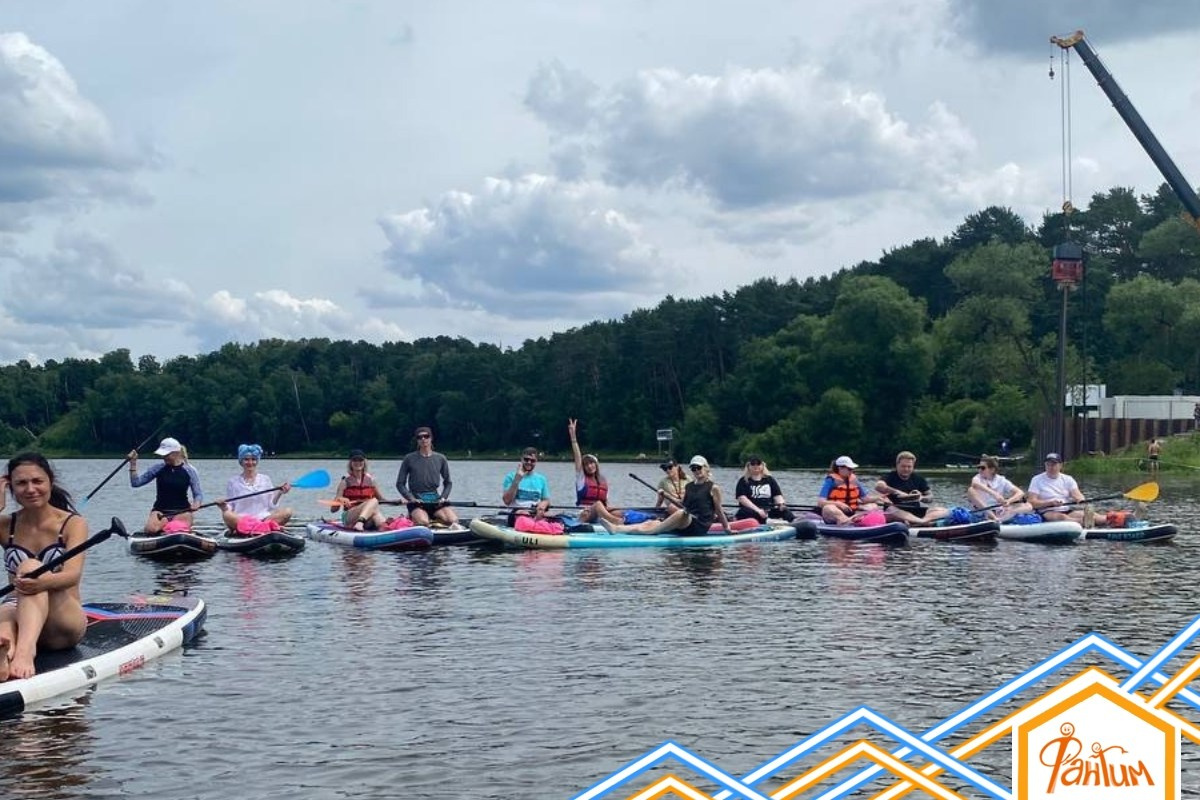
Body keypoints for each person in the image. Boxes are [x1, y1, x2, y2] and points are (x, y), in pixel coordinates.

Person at [0, 453, 88, 681]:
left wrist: (41, 581)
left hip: (63, 620)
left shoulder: (73, 523)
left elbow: (72, 575)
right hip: (18, 610)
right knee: (5, 614)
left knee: (30, 567)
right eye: (21, 483)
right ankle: (4, 655)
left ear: (50, 481)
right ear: (10, 487)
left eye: (37, 481)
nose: (30, 489)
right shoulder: (5, 525)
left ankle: (24, 652)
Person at [598, 456, 732, 536]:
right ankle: (617, 529)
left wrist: (727, 528)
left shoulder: (714, 488)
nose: (696, 471)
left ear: (706, 468)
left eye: (699, 468)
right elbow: (683, 504)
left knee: (680, 513)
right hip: (687, 521)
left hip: (700, 525)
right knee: (652, 522)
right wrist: (666, 496)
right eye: (693, 468)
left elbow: (719, 510)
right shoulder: (689, 486)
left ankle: (654, 532)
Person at [129, 437, 205, 533]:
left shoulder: (190, 470)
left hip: (182, 511)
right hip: (160, 511)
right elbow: (136, 483)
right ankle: (164, 526)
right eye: (163, 454)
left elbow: (198, 494)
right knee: (151, 529)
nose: (164, 457)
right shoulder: (157, 468)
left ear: (176, 453)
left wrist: (196, 504)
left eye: (167, 454)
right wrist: (133, 463)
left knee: (176, 529)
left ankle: (170, 527)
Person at [219, 444, 293, 532]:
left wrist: (280, 493)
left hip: (264, 519)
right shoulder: (233, 482)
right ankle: (261, 528)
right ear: (241, 461)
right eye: (246, 459)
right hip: (242, 519)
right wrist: (223, 506)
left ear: (257, 461)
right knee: (226, 515)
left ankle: (257, 527)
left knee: (288, 511)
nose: (250, 462)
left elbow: (271, 505)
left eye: (253, 459)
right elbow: (230, 506)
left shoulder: (265, 479)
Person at [395, 426, 458, 527]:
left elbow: (448, 483)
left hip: (435, 500)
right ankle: (416, 518)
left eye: (426, 436)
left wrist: (443, 497)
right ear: (417, 440)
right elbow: (400, 484)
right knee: (423, 522)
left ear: (431, 438)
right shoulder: (409, 458)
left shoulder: (441, 458)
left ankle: (435, 518)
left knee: (453, 520)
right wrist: (411, 498)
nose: (423, 439)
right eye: (419, 437)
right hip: (417, 501)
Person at [567, 418, 622, 524]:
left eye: (592, 463)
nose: (589, 466)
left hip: (600, 512)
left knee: (619, 512)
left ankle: (623, 522)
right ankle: (616, 522)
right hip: (584, 513)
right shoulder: (581, 479)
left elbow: (605, 502)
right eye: (586, 465)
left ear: (596, 464)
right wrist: (573, 438)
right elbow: (577, 457)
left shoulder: (602, 480)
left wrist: (611, 509)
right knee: (597, 505)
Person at [874, 451, 949, 525]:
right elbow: (878, 486)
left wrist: (921, 498)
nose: (906, 469)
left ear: (913, 466)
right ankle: (922, 522)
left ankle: (922, 521)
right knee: (891, 510)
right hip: (897, 510)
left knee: (944, 511)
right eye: (903, 466)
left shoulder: (918, 479)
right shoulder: (889, 477)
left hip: (916, 510)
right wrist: (897, 492)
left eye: (909, 466)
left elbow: (930, 497)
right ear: (897, 465)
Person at [331, 450, 389, 531]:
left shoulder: (371, 481)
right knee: (374, 501)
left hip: (366, 517)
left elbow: (381, 500)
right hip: (349, 516)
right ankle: (360, 523)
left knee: (376, 514)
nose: (358, 462)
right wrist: (340, 499)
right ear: (350, 463)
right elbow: (333, 510)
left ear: (364, 462)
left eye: (360, 460)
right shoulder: (344, 482)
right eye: (355, 460)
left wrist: (399, 501)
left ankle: (383, 530)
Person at [817, 456, 885, 525]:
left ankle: (857, 520)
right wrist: (838, 504)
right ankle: (846, 521)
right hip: (835, 513)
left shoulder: (854, 480)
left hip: (852, 511)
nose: (851, 471)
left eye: (852, 469)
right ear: (840, 468)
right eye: (849, 469)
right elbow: (820, 502)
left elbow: (865, 499)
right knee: (828, 508)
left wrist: (878, 498)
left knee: (873, 506)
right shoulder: (830, 480)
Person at [967, 455, 1033, 521]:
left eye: (982, 468)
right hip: (983, 510)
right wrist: (994, 494)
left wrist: (1009, 501)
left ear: (992, 470)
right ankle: (993, 517)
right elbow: (974, 484)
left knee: (1028, 505)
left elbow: (1020, 492)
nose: (979, 470)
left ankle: (1001, 518)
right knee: (971, 490)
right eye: (978, 467)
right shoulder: (977, 478)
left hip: (998, 509)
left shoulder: (1001, 480)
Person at [1027, 453, 1086, 523]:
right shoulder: (1036, 480)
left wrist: (1081, 500)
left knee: (1091, 514)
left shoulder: (1068, 479)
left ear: (1060, 465)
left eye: (1053, 464)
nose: (1050, 467)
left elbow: (1077, 494)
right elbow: (1031, 502)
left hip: (1066, 509)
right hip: (1047, 511)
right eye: (1048, 464)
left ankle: (1090, 521)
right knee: (1062, 517)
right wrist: (1050, 503)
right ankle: (1083, 522)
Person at [733, 455, 794, 523]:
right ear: (748, 466)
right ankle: (768, 521)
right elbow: (742, 498)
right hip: (752, 510)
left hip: (768, 509)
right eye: (753, 464)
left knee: (784, 510)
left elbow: (777, 495)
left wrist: (781, 504)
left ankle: (793, 522)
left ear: (762, 465)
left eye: (758, 463)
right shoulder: (743, 481)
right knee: (745, 512)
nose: (756, 466)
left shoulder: (770, 479)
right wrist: (758, 510)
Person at [501, 447, 551, 520]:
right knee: (524, 514)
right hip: (515, 513)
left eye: (532, 460)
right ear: (522, 459)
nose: (529, 462)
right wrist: (517, 479)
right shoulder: (511, 477)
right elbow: (507, 501)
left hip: (534, 512)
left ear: (536, 461)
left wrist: (543, 505)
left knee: (550, 516)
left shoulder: (541, 479)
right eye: (526, 459)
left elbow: (546, 500)